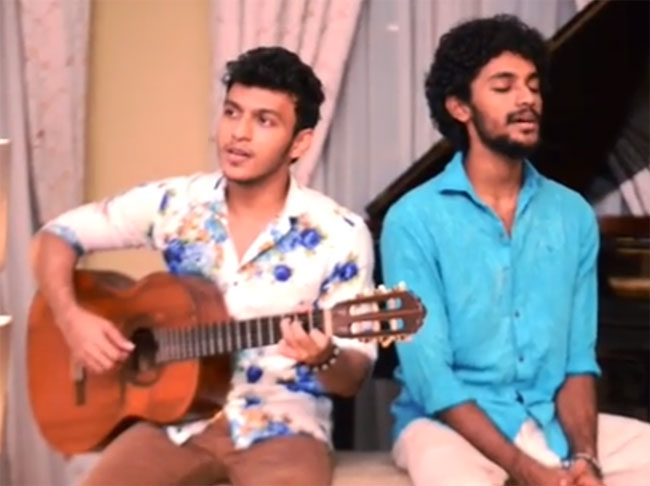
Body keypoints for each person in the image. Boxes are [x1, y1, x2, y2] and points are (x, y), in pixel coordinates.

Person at [31, 46, 376, 486]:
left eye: (264, 121)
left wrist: (324, 356)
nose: (239, 134)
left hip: (282, 428)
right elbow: (54, 237)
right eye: (232, 112)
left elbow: (353, 377)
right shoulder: (176, 203)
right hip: (172, 422)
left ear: (300, 142)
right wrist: (71, 318)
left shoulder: (341, 233)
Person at [380, 15, 650, 486]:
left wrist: (585, 458)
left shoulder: (573, 216)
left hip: (550, 421)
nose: (527, 98)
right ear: (459, 107)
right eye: (503, 86)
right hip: (447, 430)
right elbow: (432, 381)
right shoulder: (413, 220)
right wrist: (528, 471)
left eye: (532, 86)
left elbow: (577, 363)